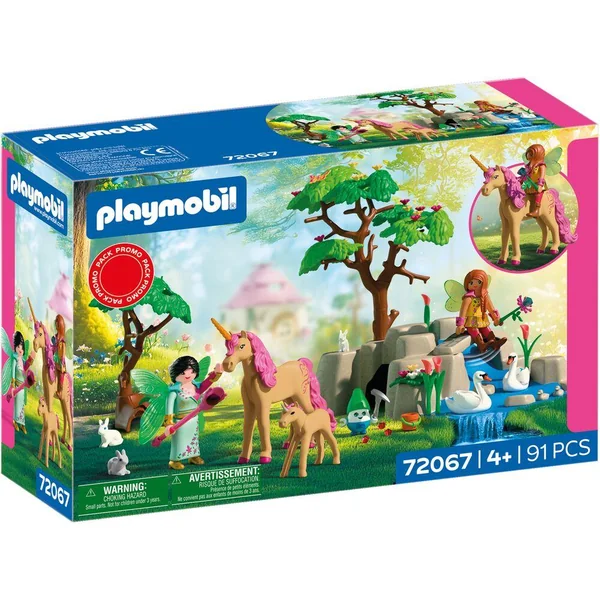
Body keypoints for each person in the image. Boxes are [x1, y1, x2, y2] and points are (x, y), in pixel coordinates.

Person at [455, 270, 507, 353]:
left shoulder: (485, 296)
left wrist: (496, 318)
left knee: (487, 330)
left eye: (479, 282)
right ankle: (481, 345)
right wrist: (460, 325)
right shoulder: (468, 298)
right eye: (471, 283)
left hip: (482, 319)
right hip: (471, 321)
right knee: (475, 330)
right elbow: (463, 311)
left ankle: (494, 343)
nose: (475, 285)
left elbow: (491, 309)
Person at [520, 144, 547, 218]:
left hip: (537, 184)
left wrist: (540, 185)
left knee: (538, 193)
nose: (528, 155)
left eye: (530, 154)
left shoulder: (541, 166)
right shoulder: (529, 166)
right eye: (527, 153)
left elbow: (542, 176)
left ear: (537, 154)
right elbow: (526, 175)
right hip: (529, 184)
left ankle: (537, 210)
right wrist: (521, 179)